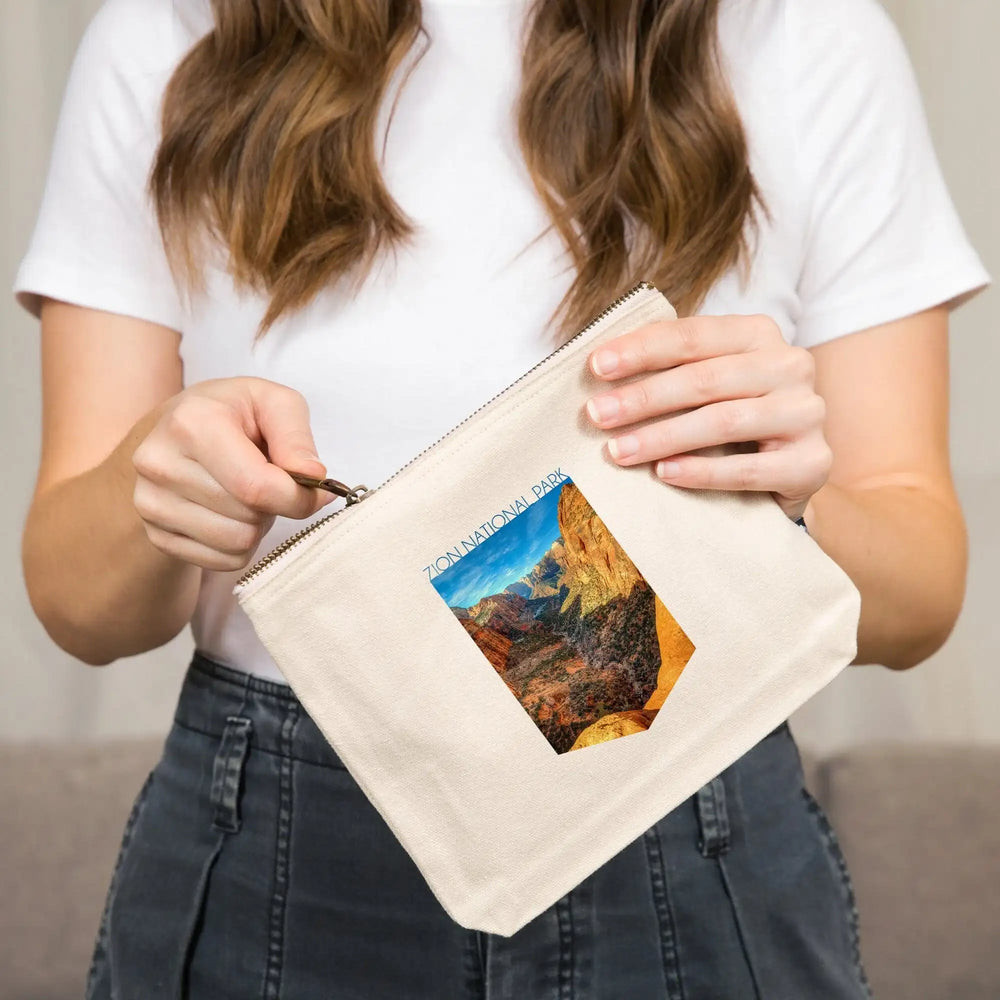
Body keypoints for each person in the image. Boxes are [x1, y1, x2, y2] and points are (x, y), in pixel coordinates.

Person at [13, 0, 990, 996]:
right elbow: (78, 605)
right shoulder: (169, 33)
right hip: (285, 824)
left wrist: (787, 506)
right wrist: (161, 478)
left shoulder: (805, 35)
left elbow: (917, 595)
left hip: (684, 791)